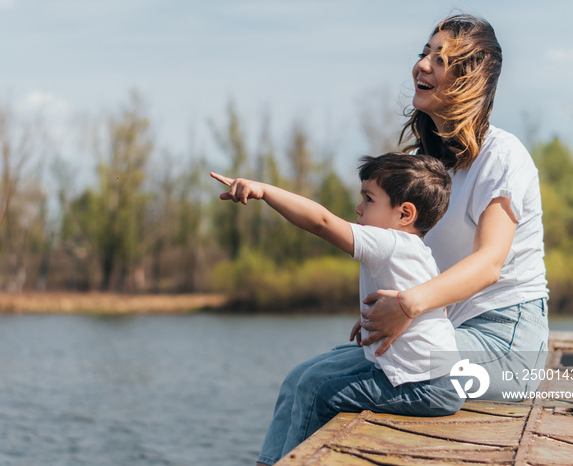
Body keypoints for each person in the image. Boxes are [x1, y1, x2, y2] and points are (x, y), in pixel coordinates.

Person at [211, 153, 464, 466]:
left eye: (368, 199)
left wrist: (265, 191)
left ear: (405, 214)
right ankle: (271, 460)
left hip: (424, 389)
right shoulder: (416, 251)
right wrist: (372, 320)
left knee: (317, 393)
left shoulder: (389, 242)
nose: (358, 208)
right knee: (300, 378)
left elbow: (320, 222)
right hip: (436, 380)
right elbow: (434, 314)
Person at [360, 13, 549, 402]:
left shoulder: (502, 156)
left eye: (440, 60)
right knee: (308, 375)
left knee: (326, 384)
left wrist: (408, 306)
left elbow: (489, 263)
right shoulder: (424, 166)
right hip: (448, 331)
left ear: (469, 80)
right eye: (424, 53)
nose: (422, 65)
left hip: (507, 348)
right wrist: (383, 314)